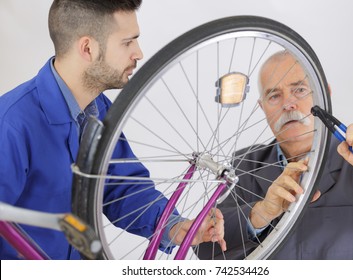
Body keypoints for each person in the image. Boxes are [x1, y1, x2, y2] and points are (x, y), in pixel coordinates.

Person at [0, 0, 225, 260]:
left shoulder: (99, 109)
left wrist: (175, 227)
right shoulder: (11, 124)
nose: (139, 53)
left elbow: (122, 188)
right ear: (87, 48)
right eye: (127, 42)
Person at [198, 51, 353, 259]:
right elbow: (205, 249)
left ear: (324, 95)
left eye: (299, 89)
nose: (288, 104)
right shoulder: (245, 164)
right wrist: (260, 214)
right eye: (274, 96)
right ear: (262, 108)